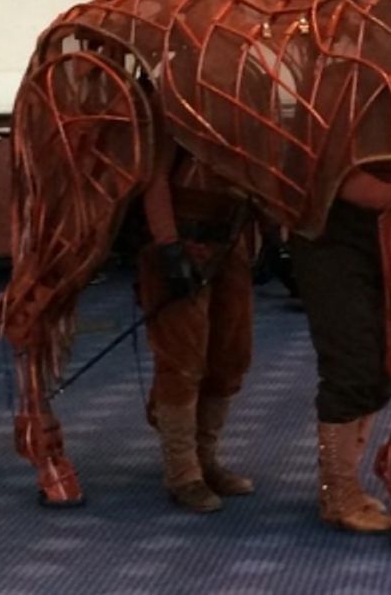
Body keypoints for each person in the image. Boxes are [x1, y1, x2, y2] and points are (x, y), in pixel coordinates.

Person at [288, 164, 391, 534]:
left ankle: (346, 486)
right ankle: (337, 495)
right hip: (329, 235)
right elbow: (332, 174)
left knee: (380, 363)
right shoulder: (338, 108)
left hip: (378, 232)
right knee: (351, 361)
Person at [138, 145, 255, 513]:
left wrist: (266, 234)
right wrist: (168, 245)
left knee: (230, 353)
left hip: (231, 235)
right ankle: (183, 470)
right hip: (180, 234)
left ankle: (205, 458)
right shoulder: (172, 95)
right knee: (182, 358)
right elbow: (152, 175)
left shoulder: (247, 90)